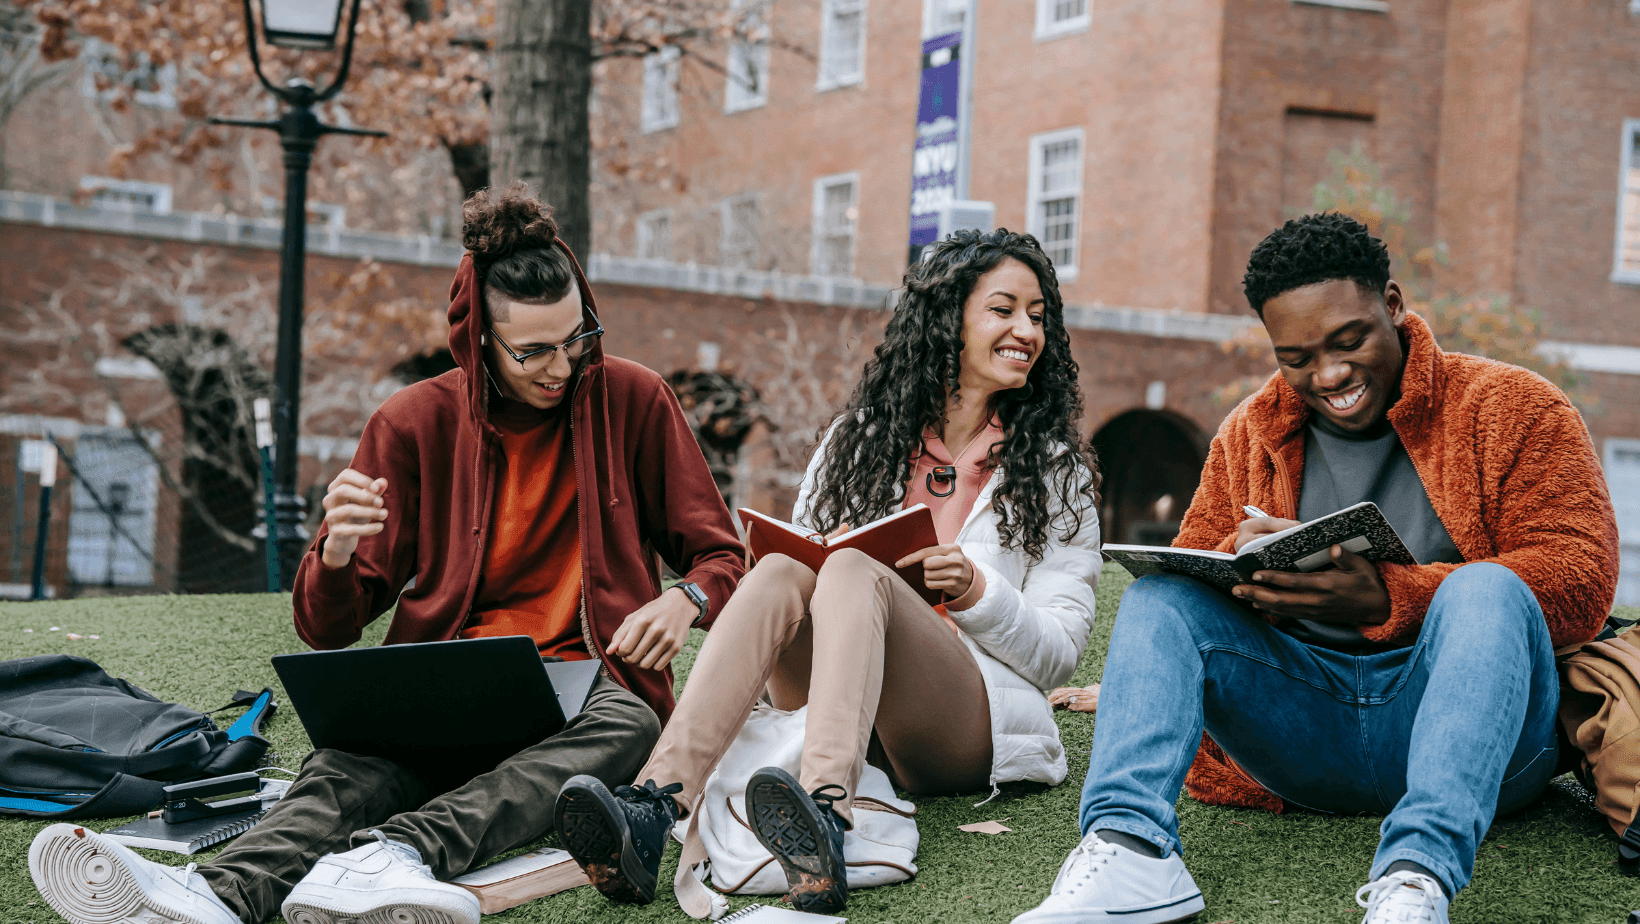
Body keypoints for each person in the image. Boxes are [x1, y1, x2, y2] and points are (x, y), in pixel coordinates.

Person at [26, 184, 746, 924]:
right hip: (447, 676)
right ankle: (216, 894)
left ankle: (392, 856)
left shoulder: (634, 399)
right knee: (345, 768)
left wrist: (684, 598)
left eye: (576, 339)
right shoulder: (412, 422)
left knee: (631, 728)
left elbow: (723, 556)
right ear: (478, 342)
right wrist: (335, 553)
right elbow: (328, 627)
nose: (561, 366)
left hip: (585, 688)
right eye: (533, 351)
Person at [1013, 213, 1620, 924]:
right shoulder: (1248, 431)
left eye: (1349, 340)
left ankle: (1415, 879)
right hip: (1303, 732)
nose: (1328, 375)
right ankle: (1130, 850)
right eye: (1296, 357)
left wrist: (1389, 596)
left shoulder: (1516, 408)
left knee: (1488, 587)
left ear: (1392, 304)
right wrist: (1260, 583)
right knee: (1161, 598)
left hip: (1478, 739)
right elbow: (1199, 573)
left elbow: (1581, 580)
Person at [551, 228, 1104, 915]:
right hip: (830, 697)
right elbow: (806, 572)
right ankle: (654, 806)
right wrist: (822, 552)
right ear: (948, 319)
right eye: (1004, 309)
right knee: (788, 568)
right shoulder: (858, 440)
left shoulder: (1055, 471)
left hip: (959, 723)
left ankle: (825, 818)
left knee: (851, 572)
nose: (1026, 329)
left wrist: (975, 591)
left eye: (1038, 315)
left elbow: (1057, 654)